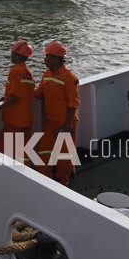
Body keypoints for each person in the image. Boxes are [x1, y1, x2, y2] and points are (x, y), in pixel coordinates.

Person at [33, 41, 80, 185]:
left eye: (47, 56)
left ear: (55, 58)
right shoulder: (47, 74)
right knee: (43, 151)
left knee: (64, 155)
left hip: (64, 123)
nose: (45, 59)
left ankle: (63, 180)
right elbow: (39, 93)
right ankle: (45, 178)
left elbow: (73, 103)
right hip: (49, 122)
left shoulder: (69, 78)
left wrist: (67, 125)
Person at [0, 40, 36, 161]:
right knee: (24, 152)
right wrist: (6, 97)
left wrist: (0, 106)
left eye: (12, 53)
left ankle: (2, 177)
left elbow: (16, 95)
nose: (11, 55)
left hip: (15, 120)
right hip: (27, 119)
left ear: (17, 56)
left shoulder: (15, 71)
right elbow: (25, 93)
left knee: (2, 151)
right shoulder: (28, 73)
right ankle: (27, 175)